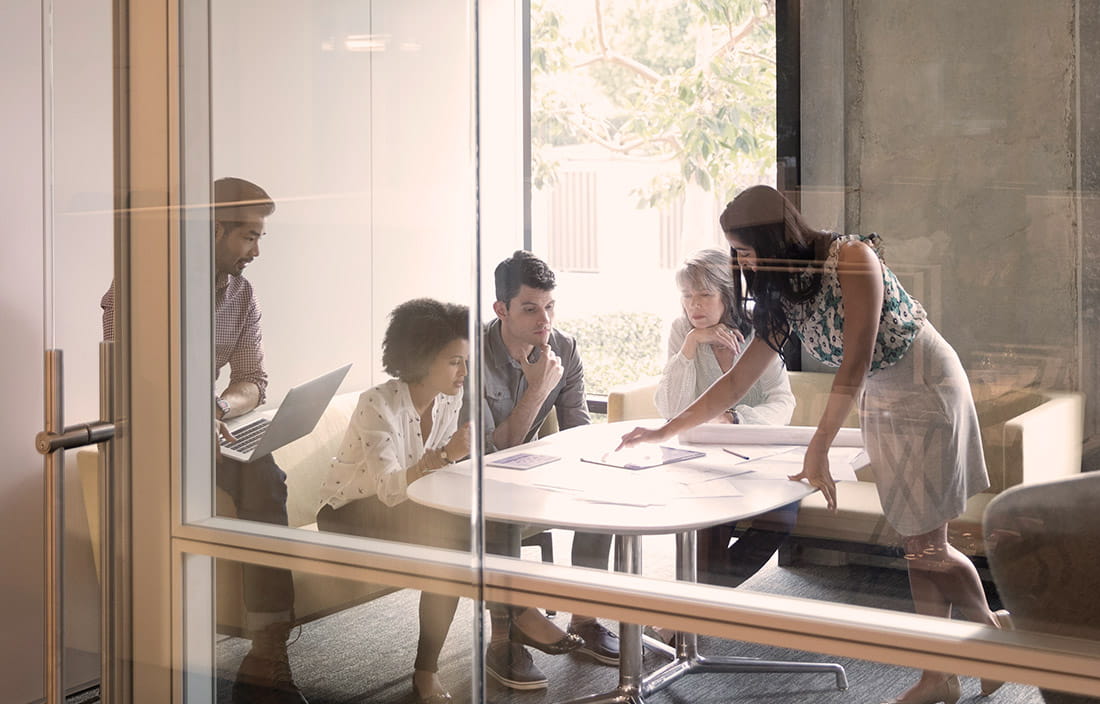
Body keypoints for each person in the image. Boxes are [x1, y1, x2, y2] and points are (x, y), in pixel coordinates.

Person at [620, 186, 1007, 704]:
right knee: (919, 544)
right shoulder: (783, 289)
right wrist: (665, 429)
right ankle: (950, 667)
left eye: (745, 247)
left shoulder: (851, 258)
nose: (741, 259)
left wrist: (819, 447)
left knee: (925, 545)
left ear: (774, 236)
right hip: (883, 399)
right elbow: (736, 381)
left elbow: (856, 358)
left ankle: (979, 647)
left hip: (925, 388)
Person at [101, 177, 309, 704]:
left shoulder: (240, 294)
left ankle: (267, 653)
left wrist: (213, 408)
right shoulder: (138, 284)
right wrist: (182, 412)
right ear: (214, 229)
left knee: (266, 474)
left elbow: (253, 383)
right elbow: (125, 374)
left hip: (204, 428)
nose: (257, 251)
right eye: (249, 237)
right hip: (143, 434)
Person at [317, 298, 580, 700]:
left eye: (466, 360)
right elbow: (389, 490)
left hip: (410, 504)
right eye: (454, 362)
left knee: (486, 519)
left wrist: (455, 467)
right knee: (451, 543)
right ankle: (515, 610)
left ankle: (454, 652)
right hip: (351, 511)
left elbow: (437, 481)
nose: (465, 372)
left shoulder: (447, 399)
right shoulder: (377, 404)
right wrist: (445, 455)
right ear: (421, 359)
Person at [478, 250, 620, 670]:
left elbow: (578, 431)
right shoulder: (472, 356)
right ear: (501, 309)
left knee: (602, 489)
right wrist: (538, 389)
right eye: (530, 308)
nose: (545, 320)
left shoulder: (563, 347)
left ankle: (586, 616)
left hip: (533, 468)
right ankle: (504, 637)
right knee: (498, 498)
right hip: (475, 474)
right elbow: (492, 452)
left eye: (550, 306)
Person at [655, 248, 799, 590]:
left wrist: (736, 417)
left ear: (728, 296)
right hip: (706, 460)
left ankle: (693, 606)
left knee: (782, 516)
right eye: (687, 296)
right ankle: (695, 612)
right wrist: (690, 345)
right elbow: (670, 409)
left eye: (705, 295)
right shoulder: (682, 330)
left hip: (763, 457)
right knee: (710, 514)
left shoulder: (758, 331)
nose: (694, 305)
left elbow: (782, 402)